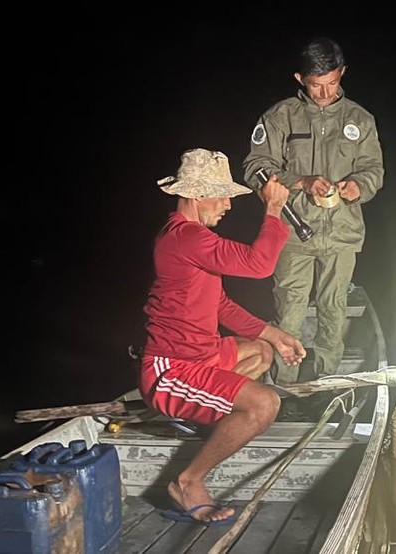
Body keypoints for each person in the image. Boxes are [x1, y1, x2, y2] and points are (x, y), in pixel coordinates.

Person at [139, 147, 307, 525]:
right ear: (198, 196)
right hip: (172, 372)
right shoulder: (186, 239)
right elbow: (260, 264)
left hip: (202, 355)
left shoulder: (191, 237)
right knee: (264, 405)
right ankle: (188, 481)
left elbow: (220, 305)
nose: (229, 205)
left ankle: (212, 417)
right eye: (224, 195)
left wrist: (274, 334)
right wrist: (275, 210)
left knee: (261, 353)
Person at [243, 36, 385, 384]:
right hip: (291, 232)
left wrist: (358, 186)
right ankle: (285, 386)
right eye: (316, 85)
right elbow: (254, 167)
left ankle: (325, 384)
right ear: (299, 79)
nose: (324, 93)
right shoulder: (280, 117)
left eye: (333, 82)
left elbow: (374, 170)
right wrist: (302, 181)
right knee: (289, 310)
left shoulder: (360, 119)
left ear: (343, 73)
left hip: (342, 232)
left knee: (333, 308)